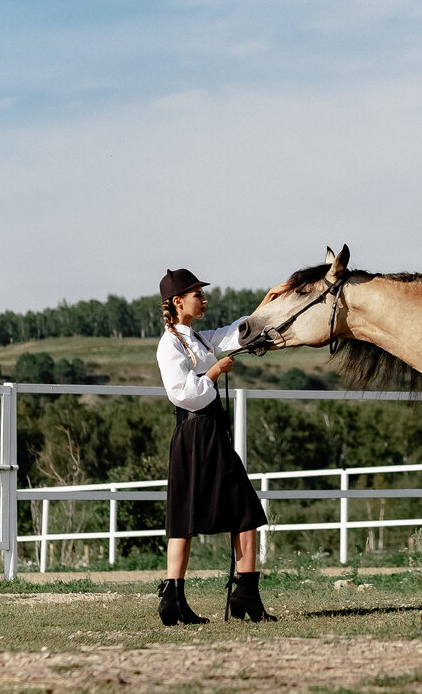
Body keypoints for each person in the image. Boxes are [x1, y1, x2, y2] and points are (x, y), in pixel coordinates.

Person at [155, 268, 275, 625]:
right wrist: (214, 373)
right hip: (196, 433)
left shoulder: (199, 339)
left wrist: (265, 307)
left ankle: (189, 597)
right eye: (197, 295)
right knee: (223, 511)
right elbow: (184, 395)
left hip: (208, 432)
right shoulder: (170, 344)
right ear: (178, 302)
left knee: (230, 510)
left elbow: (232, 335)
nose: (203, 300)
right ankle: (236, 594)